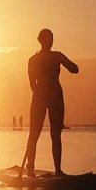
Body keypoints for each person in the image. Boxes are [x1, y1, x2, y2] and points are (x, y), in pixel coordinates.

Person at [25, 29, 78, 176]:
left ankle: (58, 170)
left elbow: (75, 70)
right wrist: (41, 95)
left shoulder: (57, 56)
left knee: (56, 134)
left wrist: (66, 62)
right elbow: (32, 83)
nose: (51, 41)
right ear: (41, 41)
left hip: (54, 97)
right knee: (34, 135)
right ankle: (30, 170)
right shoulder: (34, 60)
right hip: (41, 98)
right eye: (48, 39)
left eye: (52, 38)